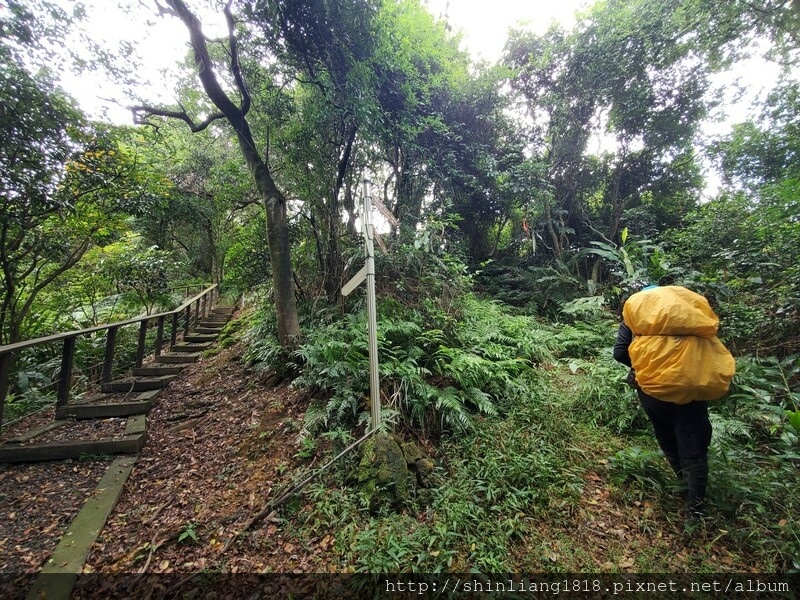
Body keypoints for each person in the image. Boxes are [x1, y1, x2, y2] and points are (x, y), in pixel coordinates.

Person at [613, 286, 714, 524]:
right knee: (694, 447)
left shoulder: (635, 316)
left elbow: (619, 353)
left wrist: (647, 366)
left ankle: (682, 485)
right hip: (690, 387)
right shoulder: (687, 314)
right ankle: (695, 509)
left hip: (652, 390)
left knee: (666, 436)